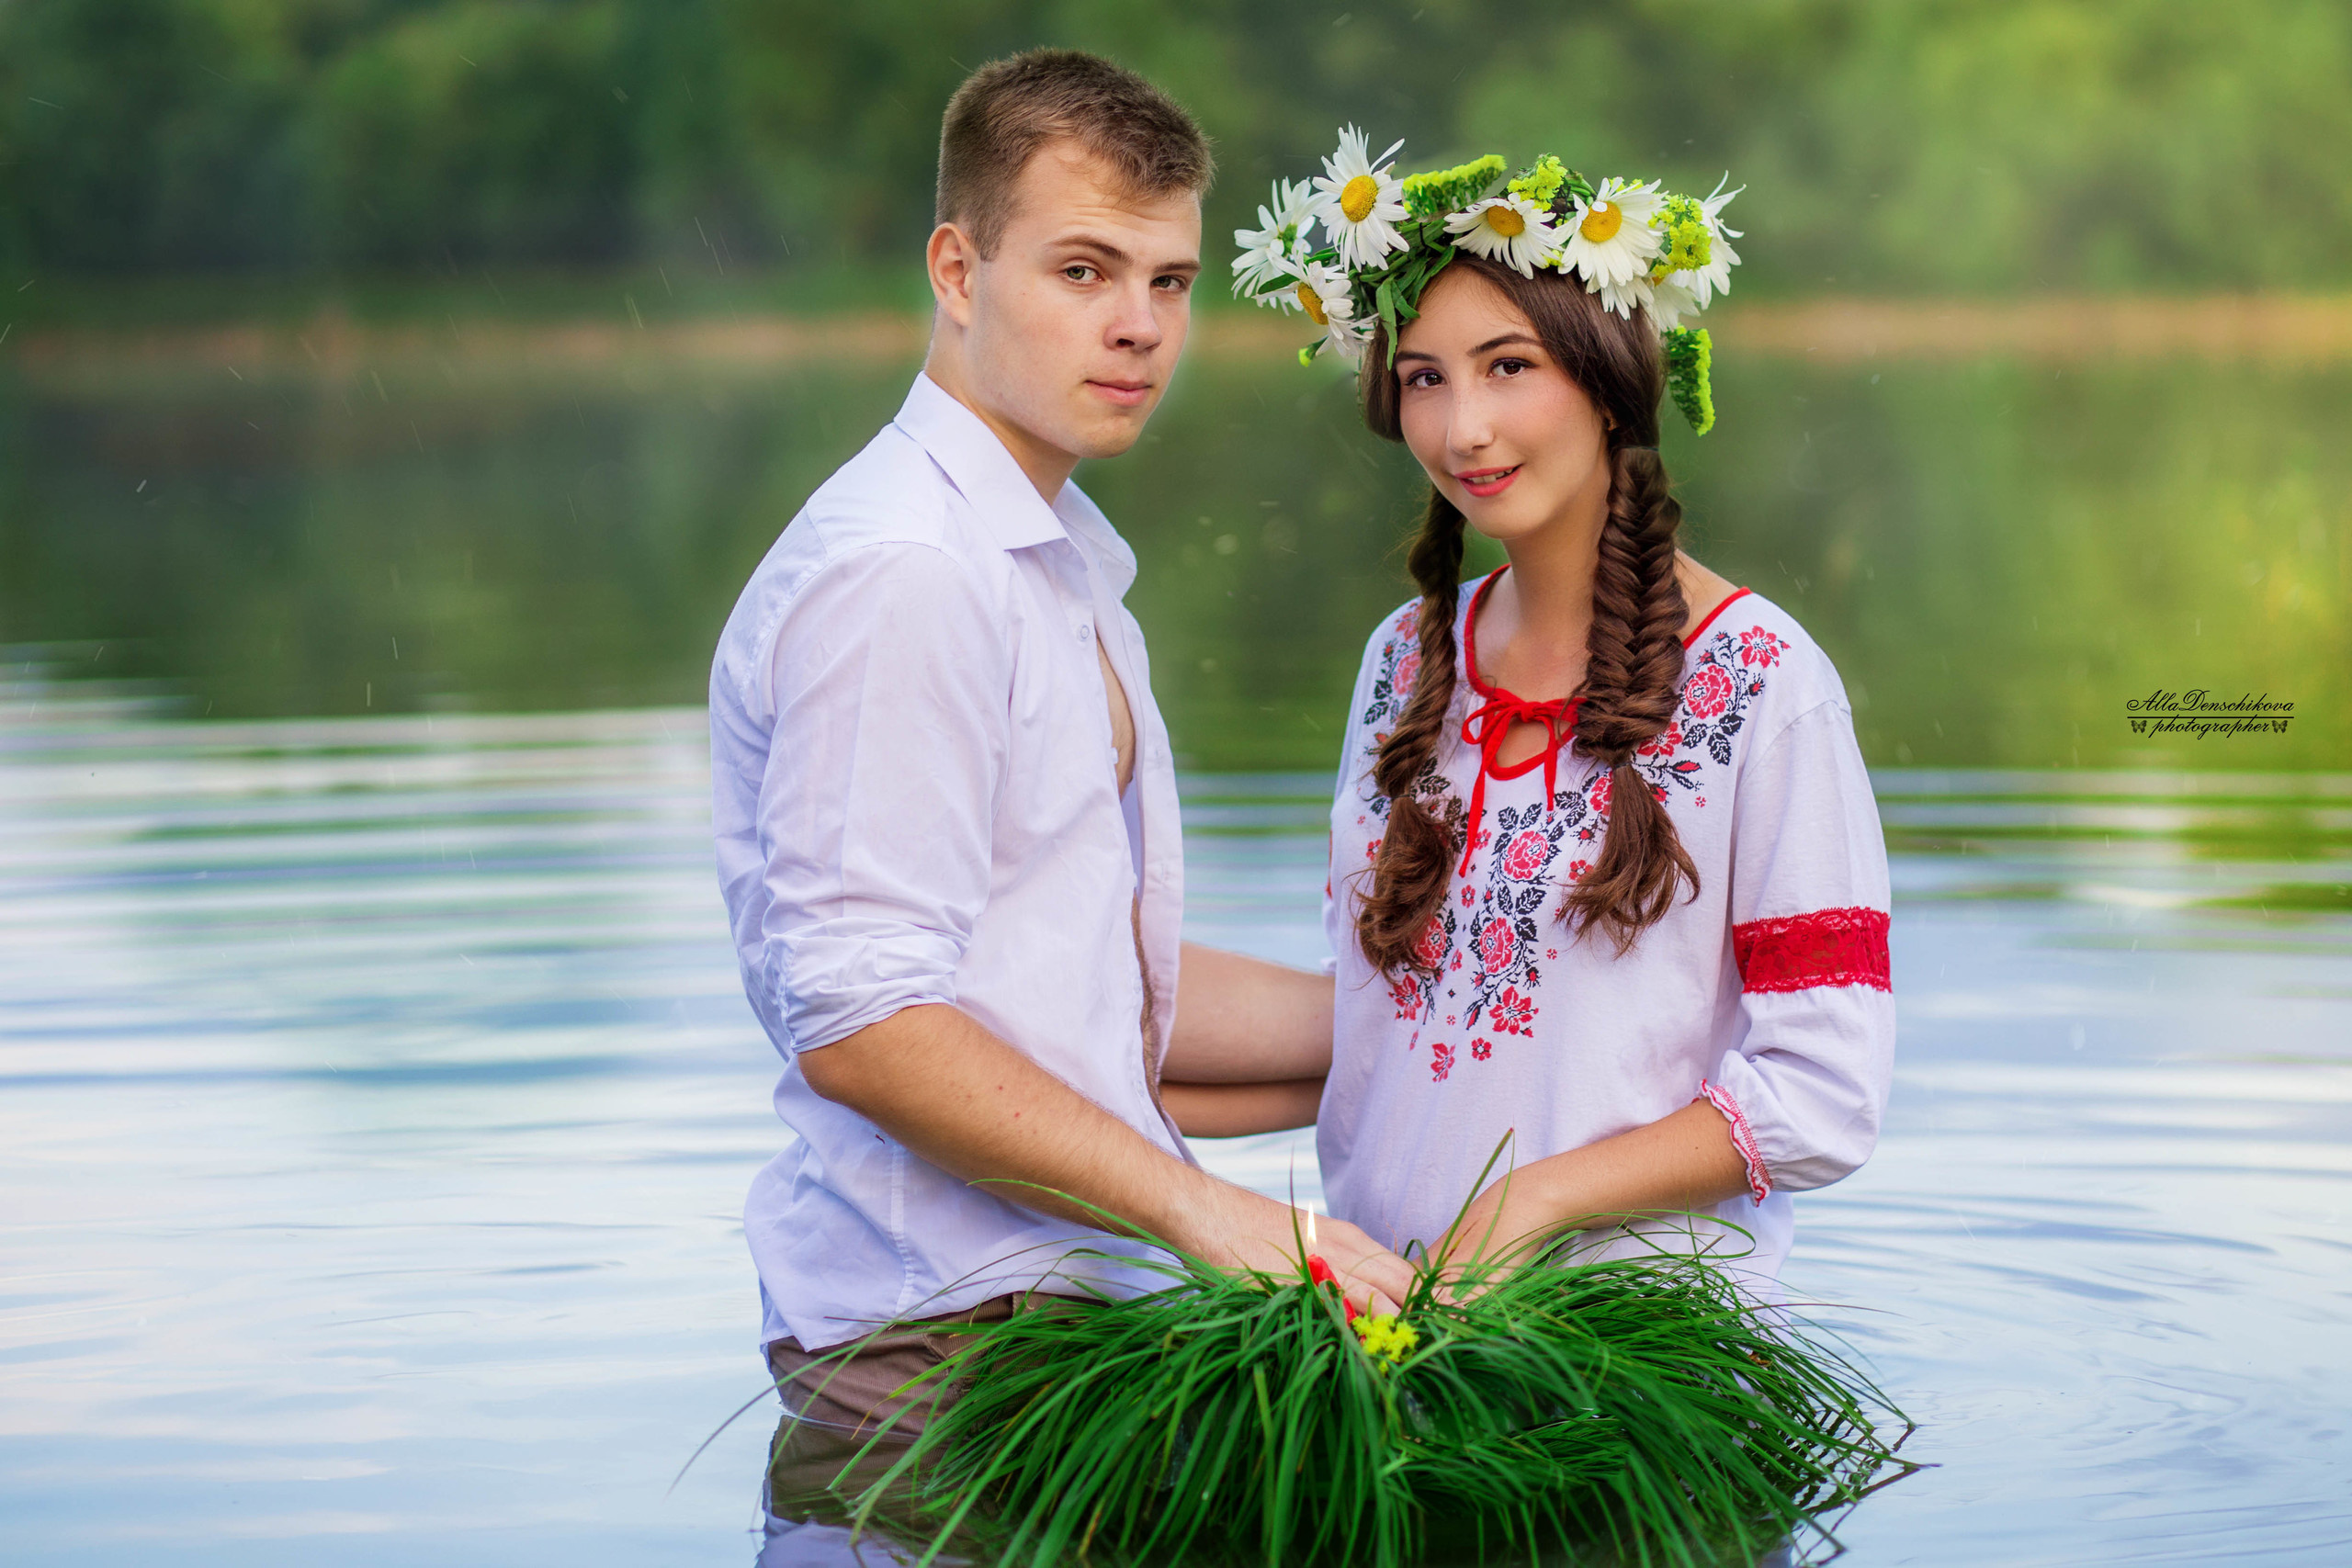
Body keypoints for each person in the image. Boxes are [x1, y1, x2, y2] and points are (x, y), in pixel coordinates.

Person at [707, 51, 1413, 1469]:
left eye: (1170, 280)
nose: (1140, 325)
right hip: (942, 1361)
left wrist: (1455, 1020)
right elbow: (864, 1022)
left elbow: (1101, 995)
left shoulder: (1051, 560)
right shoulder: (907, 573)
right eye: (1084, 271)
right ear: (957, 271)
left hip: (1066, 1337)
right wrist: (1219, 1215)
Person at [1237, 139, 1895, 1280]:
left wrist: (1529, 1205)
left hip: (1634, 1349)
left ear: (1607, 381)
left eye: (1507, 366)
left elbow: (1823, 1093)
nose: (1462, 430)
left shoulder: (1762, 681)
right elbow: (1383, 1021)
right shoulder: (1401, 661)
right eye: (1423, 378)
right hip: (1388, 1328)